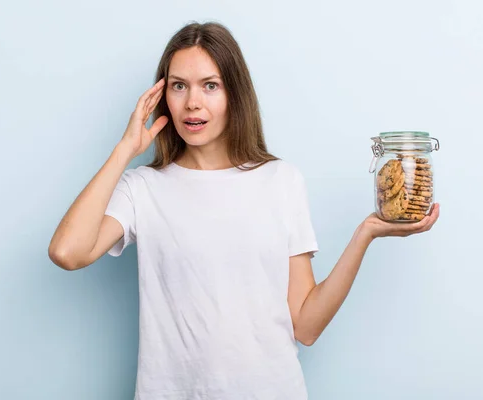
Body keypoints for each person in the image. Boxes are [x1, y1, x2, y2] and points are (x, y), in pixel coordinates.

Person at [48, 21, 440, 400]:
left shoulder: (281, 180)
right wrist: (124, 151)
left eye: (210, 86)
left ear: (234, 94)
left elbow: (306, 326)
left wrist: (364, 234)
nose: (192, 103)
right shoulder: (143, 188)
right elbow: (68, 252)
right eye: (178, 86)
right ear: (162, 95)